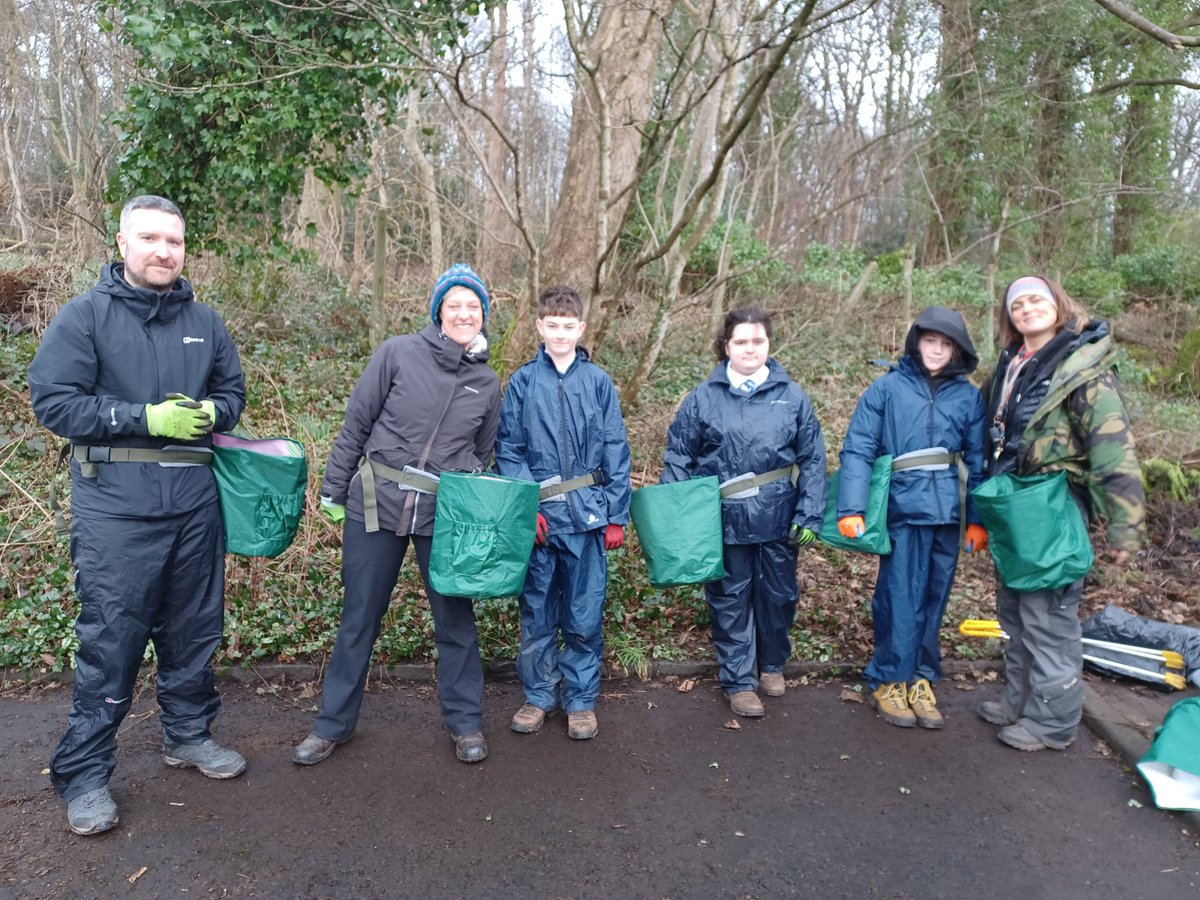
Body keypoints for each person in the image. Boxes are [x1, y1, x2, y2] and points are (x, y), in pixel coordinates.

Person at [28, 195, 247, 836]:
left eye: (173, 242)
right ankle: (86, 774)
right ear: (122, 243)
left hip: (194, 505)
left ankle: (187, 735)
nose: (163, 251)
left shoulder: (205, 321)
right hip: (115, 511)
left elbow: (232, 393)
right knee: (111, 641)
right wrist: (141, 418)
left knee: (193, 631)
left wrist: (215, 414)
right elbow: (54, 403)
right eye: (149, 238)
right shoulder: (85, 318)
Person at [293, 263, 501, 766]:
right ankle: (332, 725)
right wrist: (333, 489)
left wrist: (465, 481)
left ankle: (465, 723)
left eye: (473, 306)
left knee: (455, 618)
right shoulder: (398, 354)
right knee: (359, 616)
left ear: (483, 316)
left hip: (443, 514)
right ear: (438, 311)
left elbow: (484, 451)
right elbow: (356, 423)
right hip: (375, 503)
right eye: (454, 305)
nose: (463, 313)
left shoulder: (488, 382)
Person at [978, 275, 1145, 751]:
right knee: (1014, 610)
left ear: (1057, 305)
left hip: (1054, 505)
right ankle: (1020, 699)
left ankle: (1051, 723)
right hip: (1015, 504)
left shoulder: (1082, 368)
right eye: (1018, 304)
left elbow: (1115, 450)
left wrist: (1125, 527)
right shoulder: (1012, 363)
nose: (1027, 309)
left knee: (1048, 616)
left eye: (1037, 300)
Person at [660, 306, 827, 717]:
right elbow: (679, 456)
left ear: (768, 344)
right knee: (729, 599)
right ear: (726, 346)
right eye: (741, 341)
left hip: (778, 516)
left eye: (758, 341)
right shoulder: (703, 397)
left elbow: (814, 457)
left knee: (779, 596)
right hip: (724, 517)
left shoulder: (792, 395)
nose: (750, 349)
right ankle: (738, 681)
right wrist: (679, 518)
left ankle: (771, 664)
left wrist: (809, 511)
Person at [836, 306, 988, 729]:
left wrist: (977, 518)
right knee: (898, 596)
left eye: (945, 343)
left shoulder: (968, 396)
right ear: (915, 342)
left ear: (957, 348)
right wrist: (852, 507)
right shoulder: (886, 389)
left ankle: (921, 678)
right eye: (929, 341)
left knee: (934, 598)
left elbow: (977, 460)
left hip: (949, 513)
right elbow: (859, 448)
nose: (937, 350)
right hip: (902, 508)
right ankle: (889, 679)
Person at [494, 286, 632, 740]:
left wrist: (616, 514)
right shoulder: (521, 382)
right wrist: (524, 505)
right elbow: (508, 449)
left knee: (584, 614)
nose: (559, 333)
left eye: (567, 326)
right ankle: (538, 696)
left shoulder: (598, 383)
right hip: (540, 523)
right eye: (551, 325)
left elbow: (615, 448)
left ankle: (580, 701)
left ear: (581, 329)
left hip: (588, 517)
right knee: (536, 613)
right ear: (539, 327)